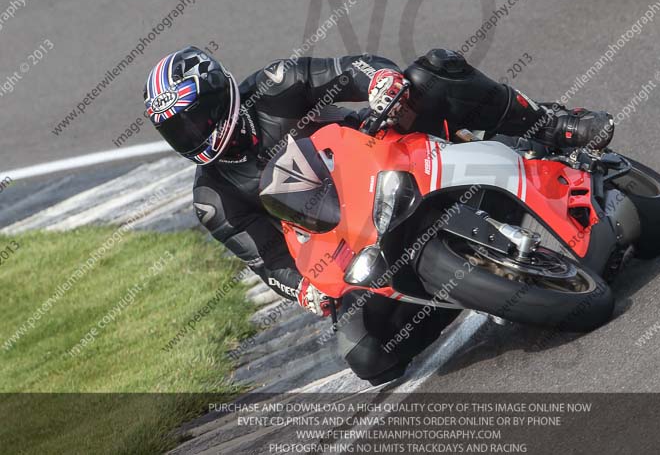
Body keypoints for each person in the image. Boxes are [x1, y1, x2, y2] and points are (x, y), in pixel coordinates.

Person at [143, 46, 613, 384]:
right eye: (176, 131)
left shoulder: (275, 85)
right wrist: (306, 290)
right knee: (367, 356)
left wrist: (379, 83)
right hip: (354, 238)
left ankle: (551, 125)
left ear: (219, 95)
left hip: (388, 154)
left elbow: (350, 70)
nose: (192, 134)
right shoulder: (214, 198)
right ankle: (459, 290)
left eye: (196, 118)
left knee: (432, 72)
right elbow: (269, 260)